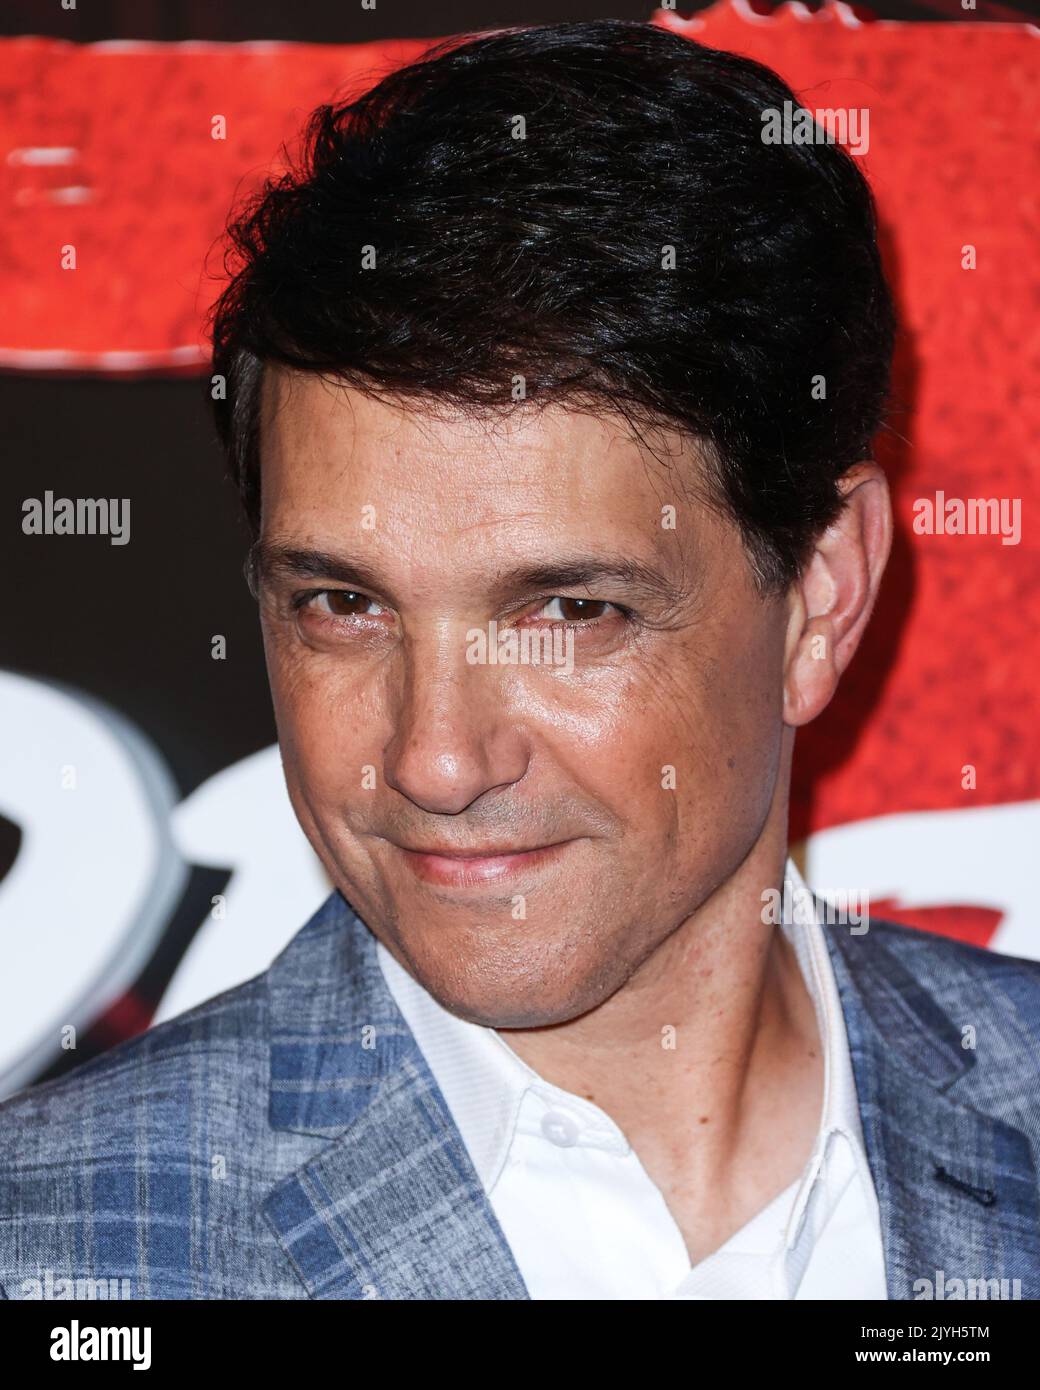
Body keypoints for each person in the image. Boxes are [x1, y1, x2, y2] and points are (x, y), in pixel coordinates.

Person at [2, 19, 1037, 1302]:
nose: (434, 760)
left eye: (566, 611)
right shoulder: (52, 1254)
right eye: (342, 604)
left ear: (819, 598)